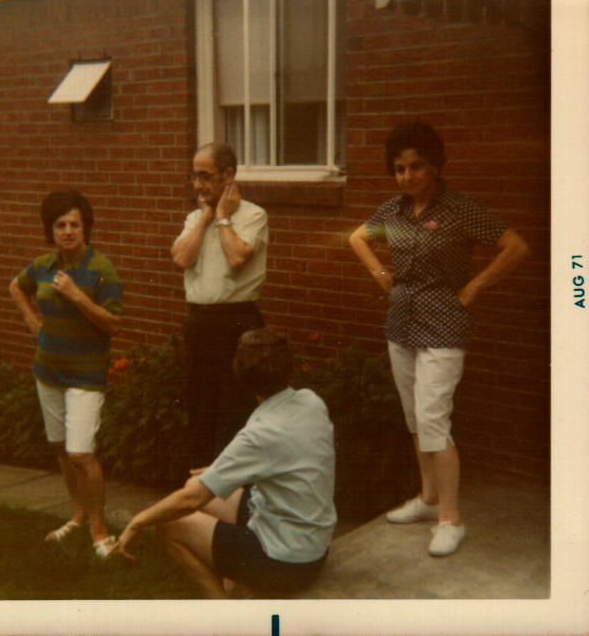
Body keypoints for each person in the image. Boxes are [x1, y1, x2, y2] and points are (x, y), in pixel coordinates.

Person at [349, 121, 529, 557]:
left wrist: (476, 286)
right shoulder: (392, 211)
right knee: (415, 417)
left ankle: (451, 517)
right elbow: (357, 237)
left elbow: (516, 247)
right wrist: (380, 273)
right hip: (401, 323)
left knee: (433, 417)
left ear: (435, 166)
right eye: (399, 169)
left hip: (444, 326)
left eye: (416, 166)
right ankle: (429, 499)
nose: (407, 176)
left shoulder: (460, 210)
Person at [113, 327, 337, 598]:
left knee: (171, 523)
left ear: (239, 374)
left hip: (287, 564)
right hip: (312, 545)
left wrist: (137, 521)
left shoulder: (260, 433)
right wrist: (220, 474)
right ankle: (239, 579)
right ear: (290, 366)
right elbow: (288, 460)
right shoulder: (311, 402)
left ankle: (223, 608)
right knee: (196, 483)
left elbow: (191, 500)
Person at [9, 189, 123, 558]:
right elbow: (16, 286)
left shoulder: (101, 269)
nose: (68, 231)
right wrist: (31, 319)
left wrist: (76, 295)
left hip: (86, 376)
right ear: (51, 230)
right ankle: (77, 515)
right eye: (60, 225)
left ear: (85, 227)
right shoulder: (43, 265)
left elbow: (113, 323)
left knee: (81, 454)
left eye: (74, 224)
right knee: (61, 448)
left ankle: (100, 532)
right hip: (48, 371)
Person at [171, 142, 268, 466]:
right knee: (200, 410)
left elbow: (238, 257)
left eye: (205, 176)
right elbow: (181, 258)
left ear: (228, 175)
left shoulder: (254, 215)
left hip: (238, 323)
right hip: (200, 323)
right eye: (194, 177)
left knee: (236, 412)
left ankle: (237, 490)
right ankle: (199, 486)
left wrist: (223, 218)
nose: (198, 185)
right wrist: (206, 218)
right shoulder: (194, 219)